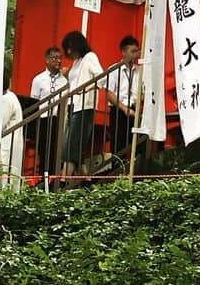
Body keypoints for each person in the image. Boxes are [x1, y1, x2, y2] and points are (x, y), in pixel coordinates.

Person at [60, 30, 104, 177]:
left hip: (85, 105)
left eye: (70, 48)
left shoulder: (90, 57)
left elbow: (102, 78)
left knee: (73, 143)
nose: (69, 52)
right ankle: (83, 174)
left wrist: (86, 89)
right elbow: (75, 82)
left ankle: (66, 175)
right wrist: (67, 77)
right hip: (73, 105)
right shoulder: (76, 62)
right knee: (70, 142)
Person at [28, 45, 66, 175]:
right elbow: (34, 101)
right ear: (47, 60)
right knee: (44, 150)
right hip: (43, 120)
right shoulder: (38, 79)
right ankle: (43, 177)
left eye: (60, 58)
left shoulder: (65, 79)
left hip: (59, 120)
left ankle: (54, 176)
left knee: (57, 150)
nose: (58, 61)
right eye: (55, 58)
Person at [103, 35, 140, 158]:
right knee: (118, 145)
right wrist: (124, 108)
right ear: (124, 51)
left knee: (137, 143)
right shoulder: (113, 69)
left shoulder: (139, 70)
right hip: (119, 110)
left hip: (135, 109)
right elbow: (109, 94)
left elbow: (143, 91)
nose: (136, 54)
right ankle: (117, 172)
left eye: (137, 51)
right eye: (133, 51)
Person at [0, 88, 25, 189]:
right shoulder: (11, 96)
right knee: (11, 173)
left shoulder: (6, 99)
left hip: (7, 143)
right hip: (12, 142)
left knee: (5, 172)